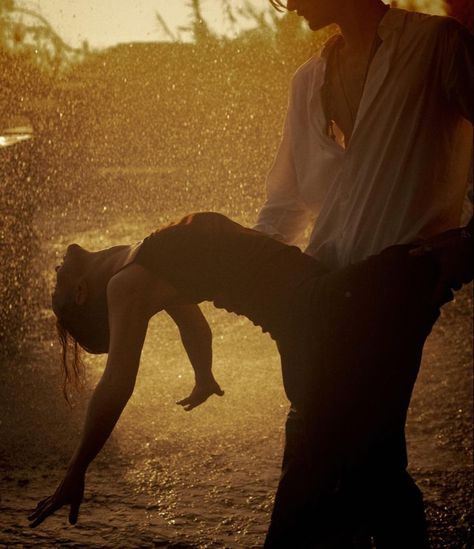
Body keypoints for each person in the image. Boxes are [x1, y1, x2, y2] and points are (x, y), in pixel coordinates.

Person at [27, 212, 472, 547]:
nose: (54, 278)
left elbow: (194, 327)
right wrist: (76, 469)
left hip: (310, 321)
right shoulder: (127, 285)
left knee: (371, 473)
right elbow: (117, 383)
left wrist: (203, 375)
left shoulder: (143, 266)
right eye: (57, 291)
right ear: (82, 293)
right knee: (358, 478)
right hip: (314, 312)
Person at [254, 0, 473, 546]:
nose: (290, 2)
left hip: (401, 286)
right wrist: (242, 271)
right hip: (322, 292)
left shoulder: (437, 46)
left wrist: (468, 244)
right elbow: (286, 204)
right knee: (370, 457)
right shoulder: (307, 82)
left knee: (319, 438)